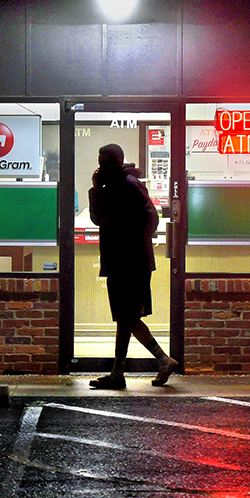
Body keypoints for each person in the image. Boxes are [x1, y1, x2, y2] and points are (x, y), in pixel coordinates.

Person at [87, 143, 179, 389]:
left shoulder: (127, 185)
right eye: (99, 160)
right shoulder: (115, 185)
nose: (100, 165)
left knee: (126, 315)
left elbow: (151, 219)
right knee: (125, 316)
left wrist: (132, 245)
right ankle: (132, 368)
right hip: (124, 261)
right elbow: (99, 218)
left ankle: (152, 362)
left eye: (104, 160)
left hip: (129, 262)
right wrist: (97, 188)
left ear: (117, 161)